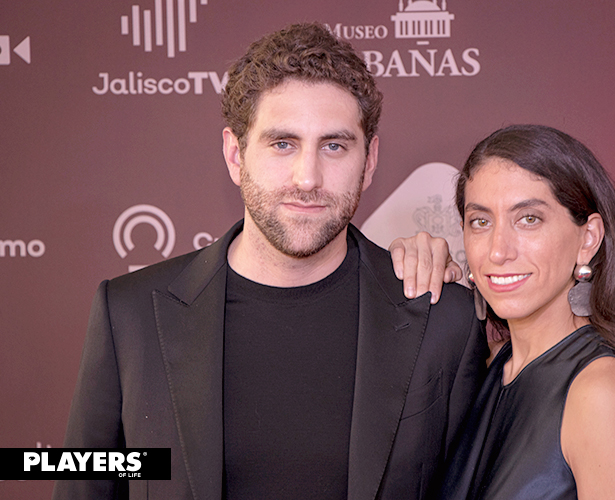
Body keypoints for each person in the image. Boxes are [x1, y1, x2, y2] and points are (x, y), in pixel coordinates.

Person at [52, 23, 488, 500]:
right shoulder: (130, 315)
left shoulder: (443, 320)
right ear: (235, 155)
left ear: (369, 161)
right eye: (283, 144)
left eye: (334, 146)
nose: (308, 178)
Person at [433, 124, 615, 499]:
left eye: (529, 219)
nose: (498, 251)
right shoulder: (489, 369)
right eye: (481, 222)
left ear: (588, 238)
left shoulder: (603, 393)